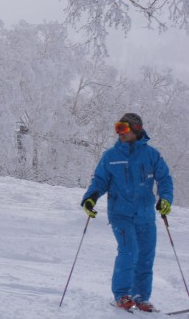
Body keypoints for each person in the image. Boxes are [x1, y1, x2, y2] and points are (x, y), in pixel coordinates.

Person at [81, 113, 173, 312]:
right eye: (117, 128)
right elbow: (99, 181)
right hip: (120, 214)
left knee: (146, 256)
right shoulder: (111, 156)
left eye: (123, 128)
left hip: (146, 215)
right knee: (129, 250)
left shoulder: (151, 155)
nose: (119, 133)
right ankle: (122, 294)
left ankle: (141, 297)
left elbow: (164, 178)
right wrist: (90, 198)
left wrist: (165, 199)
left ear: (137, 129)